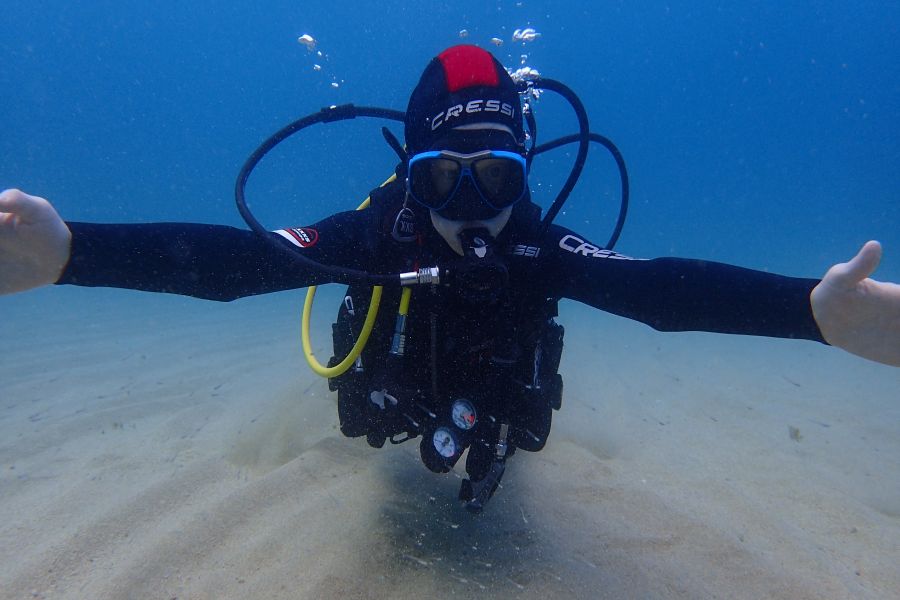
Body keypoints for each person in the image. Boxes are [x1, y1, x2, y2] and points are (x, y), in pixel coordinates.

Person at [1, 45, 898, 511]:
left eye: (497, 177)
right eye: (443, 177)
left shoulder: (535, 245)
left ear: (526, 172)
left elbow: (659, 290)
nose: (473, 206)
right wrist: (73, 252)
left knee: (513, 422)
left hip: (494, 398)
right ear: (410, 168)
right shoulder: (376, 230)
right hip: (394, 394)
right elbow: (241, 264)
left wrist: (812, 314)